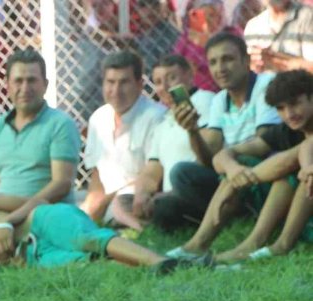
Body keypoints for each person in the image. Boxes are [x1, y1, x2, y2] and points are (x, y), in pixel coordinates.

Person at [0, 169, 193, 273]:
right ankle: (183, 263)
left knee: (89, 240)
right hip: (32, 256)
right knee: (85, 262)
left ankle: (160, 263)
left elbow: (38, 201)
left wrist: (9, 223)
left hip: (40, 221)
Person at [166, 69, 313, 262]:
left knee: (291, 176)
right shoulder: (285, 130)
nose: (289, 114)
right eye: (281, 108)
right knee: (239, 164)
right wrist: (233, 170)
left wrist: (236, 181)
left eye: (295, 104)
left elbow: (293, 157)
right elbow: (222, 157)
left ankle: (265, 245)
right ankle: (198, 244)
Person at [152, 32, 281, 231]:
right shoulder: (220, 99)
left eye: (227, 59)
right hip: (229, 175)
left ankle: (230, 217)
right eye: (213, 62)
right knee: (178, 180)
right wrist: (192, 131)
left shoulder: (266, 85)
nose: (220, 69)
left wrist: (227, 159)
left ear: (246, 60)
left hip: (260, 173)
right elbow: (208, 159)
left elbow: (265, 143)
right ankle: (228, 215)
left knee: (239, 163)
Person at [0, 49, 80, 217]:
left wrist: (20, 214)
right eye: (18, 81)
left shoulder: (60, 124)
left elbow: (62, 184)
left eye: (32, 80)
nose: (25, 88)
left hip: (47, 215)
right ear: (8, 85)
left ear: (45, 85)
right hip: (2, 215)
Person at [118, 54, 216, 231]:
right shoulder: (163, 122)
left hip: (197, 187)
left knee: (170, 195)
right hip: (171, 196)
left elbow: (210, 154)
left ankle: (150, 222)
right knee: (121, 201)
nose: (165, 87)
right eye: (158, 81)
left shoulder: (206, 100)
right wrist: (142, 194)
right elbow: (152, 169)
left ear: (189, 75)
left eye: (172, 78)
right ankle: (143, 223)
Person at [81, 50, 165, 224]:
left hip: (140, 202)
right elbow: (97, 177)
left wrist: (105, 204)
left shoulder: (157, 117)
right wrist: (89, 211)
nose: (116, 90)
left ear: (140, 84)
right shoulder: (98, 118)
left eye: (124, 82)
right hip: (108, 206)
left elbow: (157, 177)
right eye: (110, 82)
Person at [173, 0, 241, 92]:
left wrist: (206, 44)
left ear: (220, 15)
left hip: (221, 89)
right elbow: (175, 62)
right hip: (189, 89)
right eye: (202, 16)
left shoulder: (231, 34)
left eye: (212, 15)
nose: (207, 20)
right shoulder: (187, 38)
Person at [244, 0, 313, 73]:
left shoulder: (308, 17)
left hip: (299, 82)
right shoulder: (253, 25)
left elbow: (311, 67)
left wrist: (274, 61)